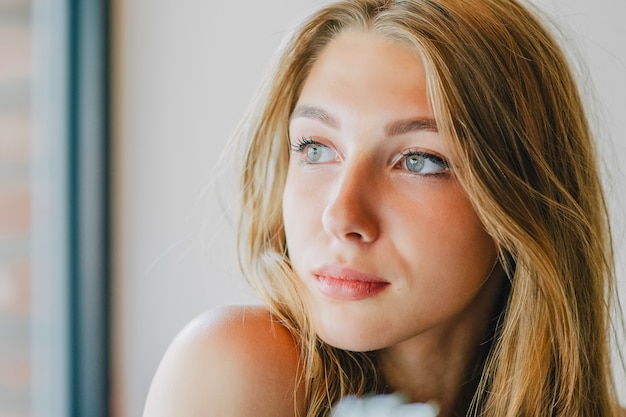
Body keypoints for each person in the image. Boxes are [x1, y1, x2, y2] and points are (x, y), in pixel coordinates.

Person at [142, 0, 625, 416]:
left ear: (521, 196)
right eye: (315, 148)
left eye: (418, 160)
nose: (342, 215)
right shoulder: (238, 370)